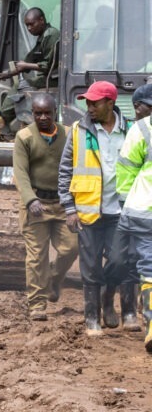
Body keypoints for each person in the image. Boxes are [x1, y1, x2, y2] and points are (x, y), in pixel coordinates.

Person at [58, 81, 136, 335]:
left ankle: (107, 297)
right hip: (88, 210)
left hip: (120, 211)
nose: (89, 107)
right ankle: (92, 317)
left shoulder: (131, 131)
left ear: (110, 103)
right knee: (90, 266)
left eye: (95, 103)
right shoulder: (79, 131)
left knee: (119, 260)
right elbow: (65, 170)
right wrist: (69, 208)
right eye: (87, 102)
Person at [12, 93, 77, 320]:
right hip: (35, 203)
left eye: (47, 113)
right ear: (32, 114)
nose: (42, 117)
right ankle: (37, 304)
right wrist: (30, 200)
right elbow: (20, 172)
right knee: (36, 256)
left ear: (55, 112)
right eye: (38, 113)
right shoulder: (24, 137)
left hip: (62, 203)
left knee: (72, 247)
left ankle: (53, 279)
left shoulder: (69, 134)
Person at [0, 7, 60, 140]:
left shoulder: (50, 35)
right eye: (27, 26)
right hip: (50, 77)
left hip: (54, 79)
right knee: (21, 85)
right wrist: (9, 74)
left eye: (32, 24)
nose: (29, 28)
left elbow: (48, 66)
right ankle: (3, 124)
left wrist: (25, 65)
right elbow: (32, 58)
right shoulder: (44, 36)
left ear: (41, 20)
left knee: (21, 86)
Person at [116, 83, 152, 350]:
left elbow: (126, 172)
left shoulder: (140, 130)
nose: (135, 112)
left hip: (144, 212)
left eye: (137, 107)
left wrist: (124, 202)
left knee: (149, 269)